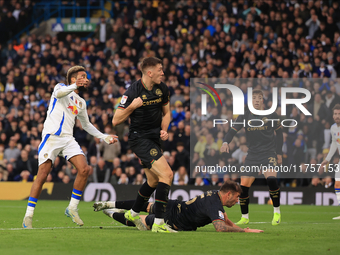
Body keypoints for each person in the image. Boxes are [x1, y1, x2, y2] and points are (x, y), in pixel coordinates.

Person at [22, 66, 118, 228]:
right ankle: (28, 216)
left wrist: (104, 137)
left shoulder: (81, 102)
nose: (86, 79)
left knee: (85, 169)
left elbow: (86, 125)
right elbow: (60, 94)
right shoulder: (60, 88)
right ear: (73, 79)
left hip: (67, 139)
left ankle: (72, 208)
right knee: (43, 175)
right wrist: (74, 86)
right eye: (82, 76)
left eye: (86, 77)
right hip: (51, 137)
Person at [112, 57, 174, 233]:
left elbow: (167, 112)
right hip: (139, 139)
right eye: (160, 70)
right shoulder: (132, 92)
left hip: (155, 138)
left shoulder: (162, 88)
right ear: (149, 72)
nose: (163, 73)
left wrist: (164, 129)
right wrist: (131, 107)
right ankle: (159, 223)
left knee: (154, 180)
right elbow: (116, 120)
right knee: (167, 174)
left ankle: (132, 213)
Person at [93, 180, 263, 233]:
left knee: (145, 206)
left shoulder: (214, 195)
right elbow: (220, 227)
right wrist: (243, 231)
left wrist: (243, 229)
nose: (237, 201)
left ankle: (109, 206)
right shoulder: (214, 203)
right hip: (175, 220)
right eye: (237, 198)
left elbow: (224, 219)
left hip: (175, 206)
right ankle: (110, 212)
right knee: (142, 222)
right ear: (229, 194)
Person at [220, 89, 283, 226]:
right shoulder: (244, 115)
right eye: (254, 98)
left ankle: (277, 212)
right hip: (253, 154)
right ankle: (245, 217)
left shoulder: (271, 114)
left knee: (271, 180)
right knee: (243, 187)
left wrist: (279, 153)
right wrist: (225, 142)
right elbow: (232, 131)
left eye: (259, 98)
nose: (256, 100)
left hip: (268, 153)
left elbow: (280, 133)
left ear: (262, 101)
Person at [320, 104, 340, 219]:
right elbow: (334, 143)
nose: (337, 116)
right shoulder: (333, 128)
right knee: (337, 184)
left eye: (339, 114)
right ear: (333, 116)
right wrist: (327, 159)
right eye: (336, 114)